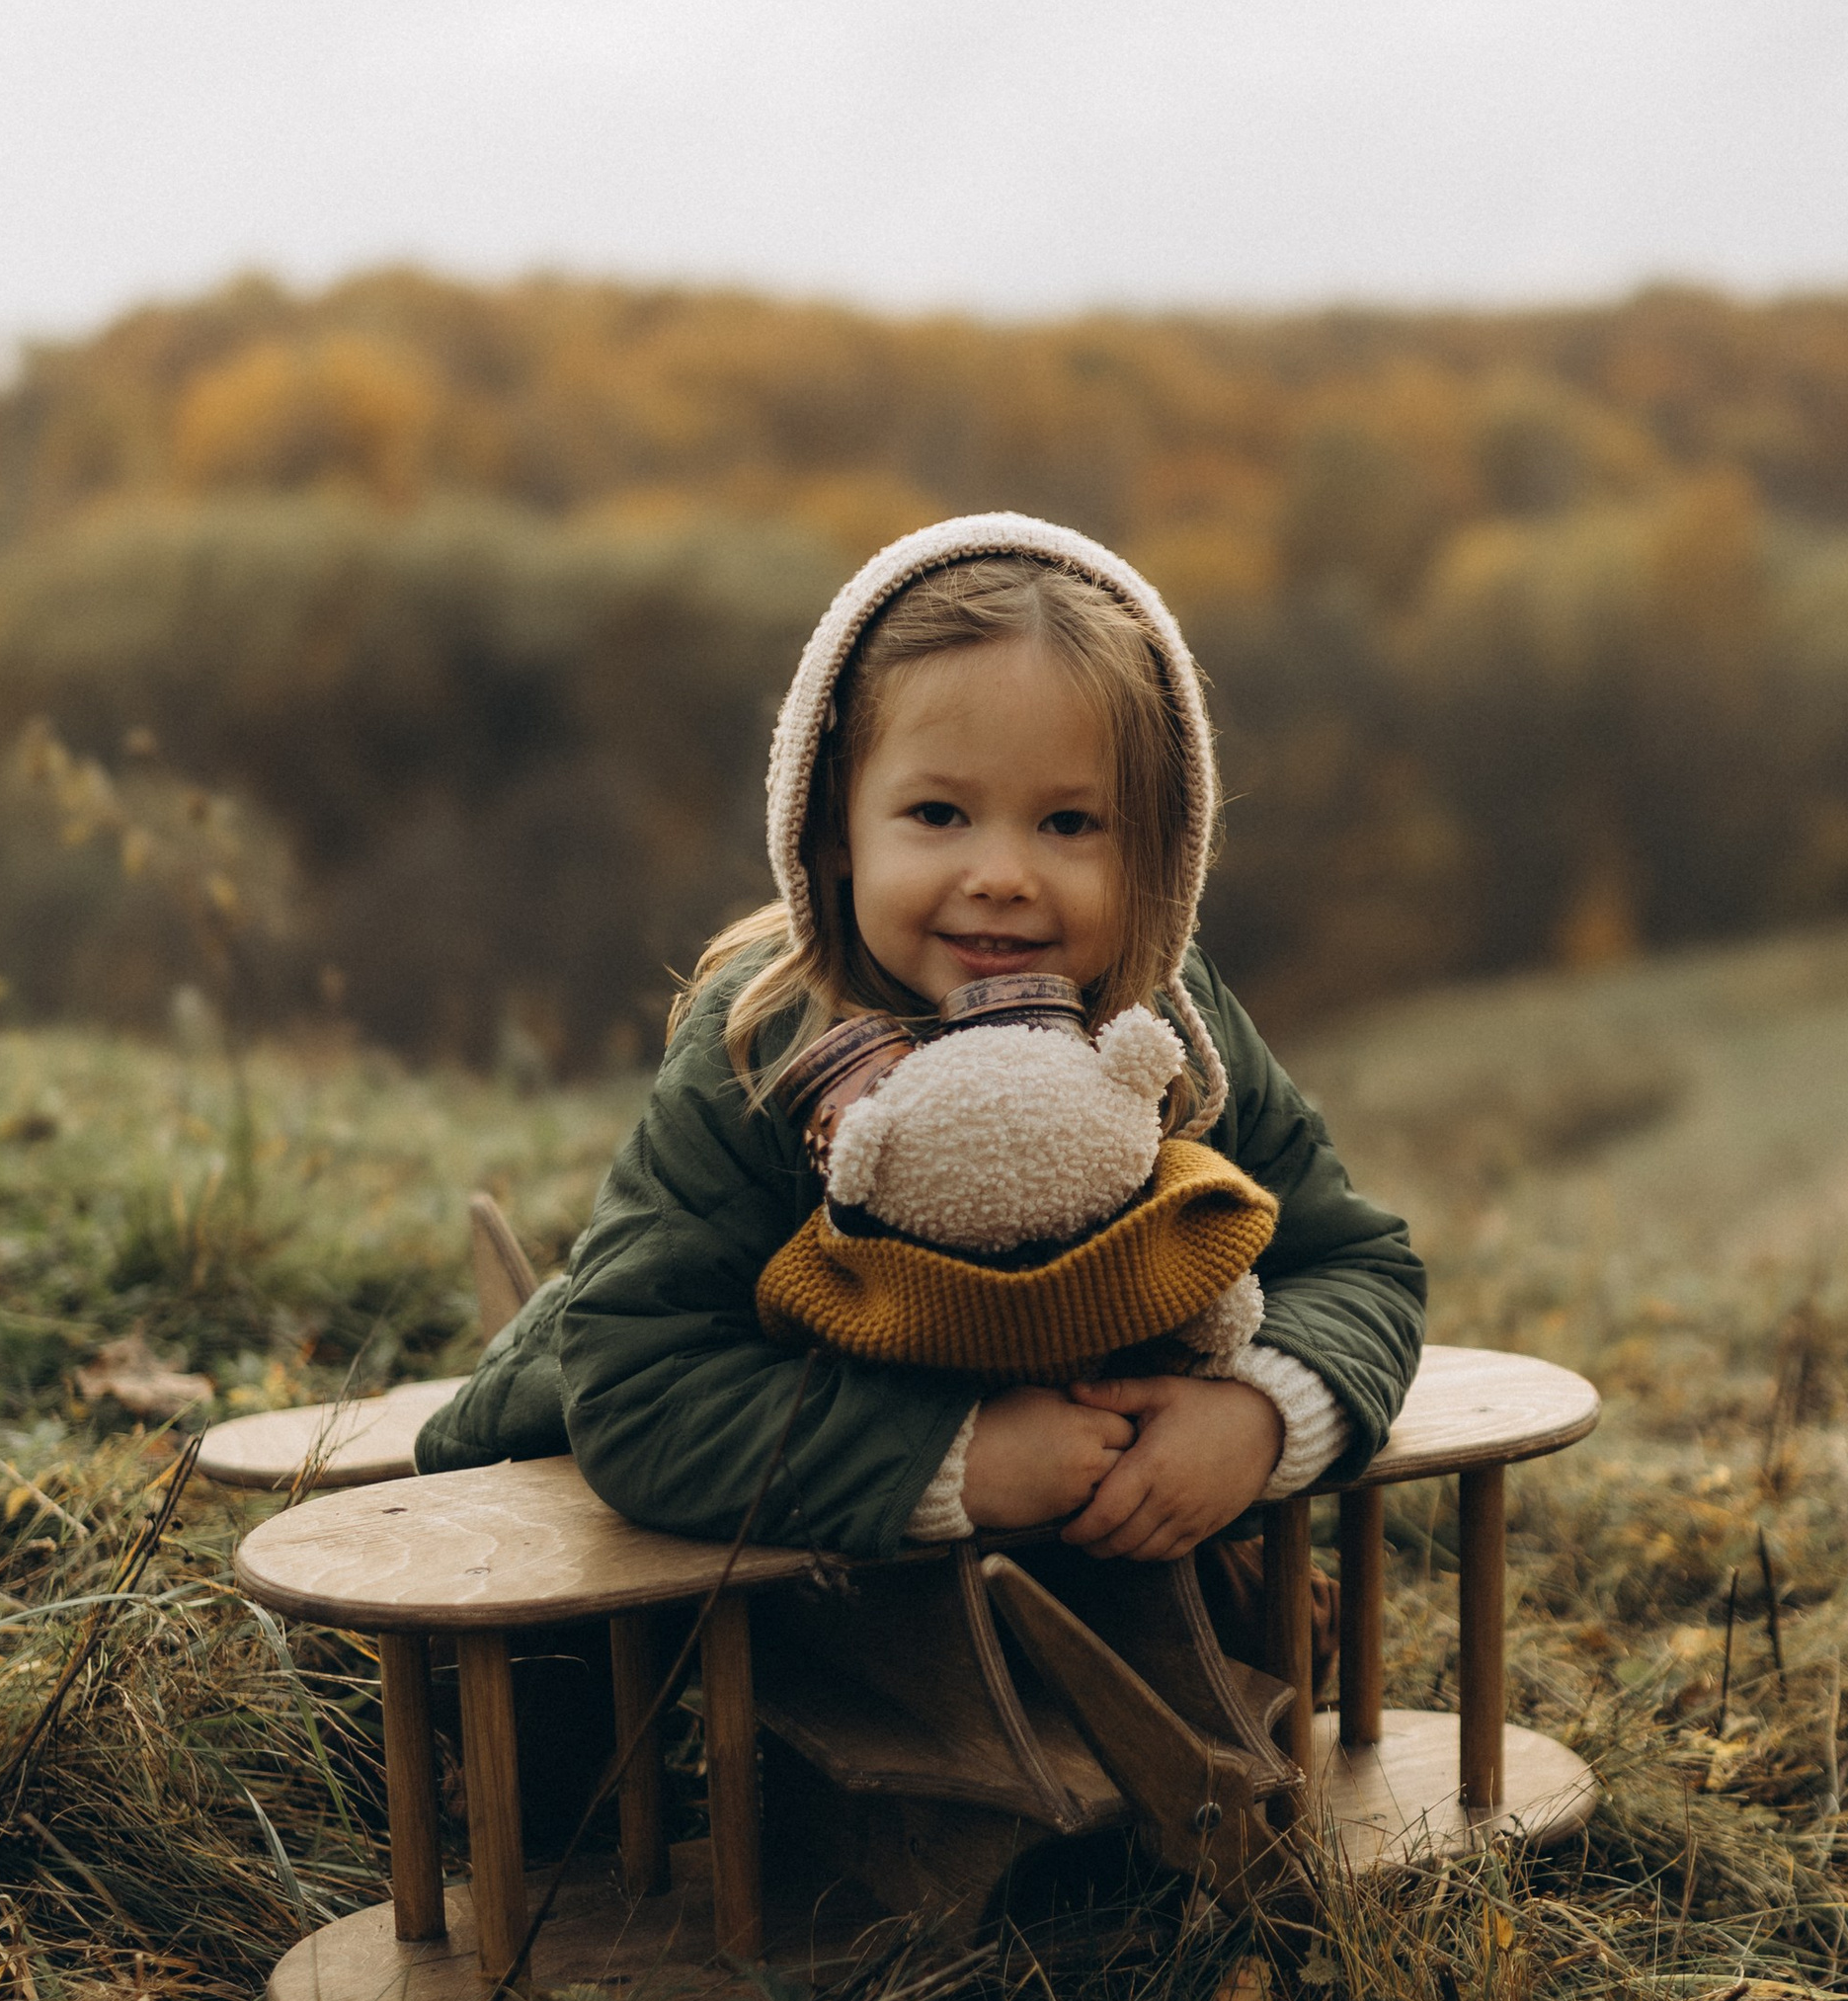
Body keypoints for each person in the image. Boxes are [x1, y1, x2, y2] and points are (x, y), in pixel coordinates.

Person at [420, 513, 1424, 1578]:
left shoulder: (1170, 1026)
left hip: (1052, 1555)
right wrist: (949, 1458)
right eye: (939, 812)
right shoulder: (765, 1043)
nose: (1001, 873)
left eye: (1070, 823)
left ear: (1156, 852)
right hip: (751, 1541)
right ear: (833, 829)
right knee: (556, 1368)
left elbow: (1358, 1266)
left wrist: (1258, 1418)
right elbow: (634, 1386)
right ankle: (510, 1342)